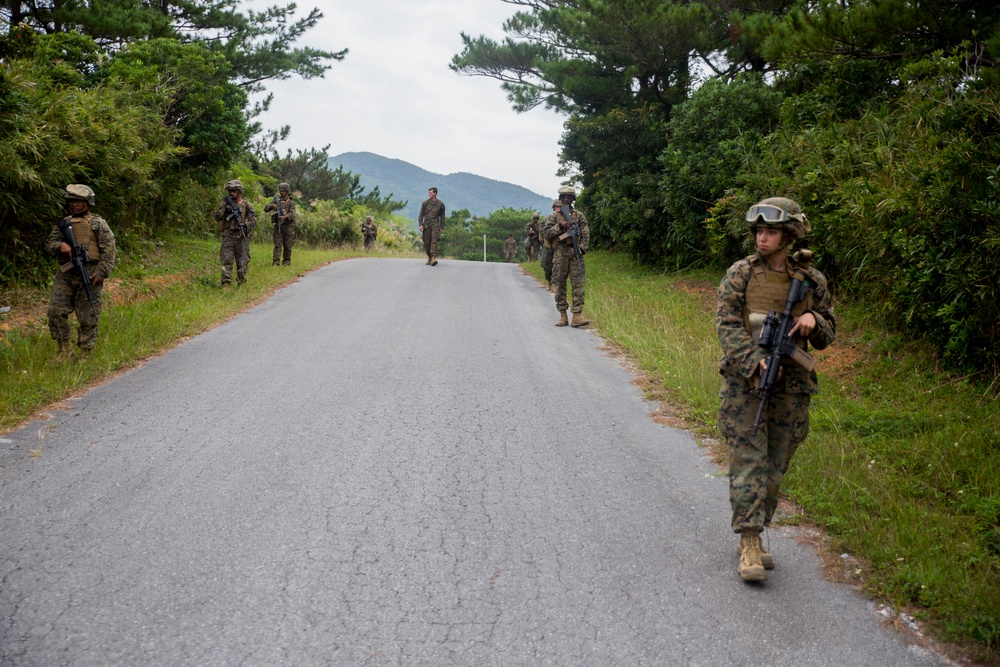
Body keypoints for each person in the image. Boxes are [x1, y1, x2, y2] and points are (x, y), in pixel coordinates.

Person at [716, 197, 836, 582]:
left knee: (776, 466)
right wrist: (753, 361)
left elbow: (828, 334)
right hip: (746, 383)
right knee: (749, 460)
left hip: (793, 386)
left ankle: (757, 527)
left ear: (789, 236)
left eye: (770, 232)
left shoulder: (812, 281)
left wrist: (811, 320)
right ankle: (749, 541)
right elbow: (727, 325)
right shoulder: (740, 274)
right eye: (758, 232)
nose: (762, 238)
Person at [46, 184, 117, 361]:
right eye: (71, 201)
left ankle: (86, 353)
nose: (74, 205)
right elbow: (49, 244)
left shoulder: (97, 224)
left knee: (88, 315)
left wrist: (100, 273)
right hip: (67, 274)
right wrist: (60, 246)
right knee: (55, 311)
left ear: (87, 203)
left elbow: (109, 250)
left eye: (79, 201)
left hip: (90, 274)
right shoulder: (64, 224)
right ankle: (64, 350)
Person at [542, 186, 590, 327]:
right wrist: (560, 227)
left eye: (569, 196)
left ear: (573, 199)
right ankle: (563, 316)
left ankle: (576, 316)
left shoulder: (579, 216)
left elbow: (586, 234)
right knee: (560, 284)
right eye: (564, 197)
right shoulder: (553, 217)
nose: (566, 199)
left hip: (576, 253)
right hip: (560, 252)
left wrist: (582, 249)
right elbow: (546, 234)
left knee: (578, 285)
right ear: (560, 198)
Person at [213, 179, 256, 287]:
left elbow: (253, 221)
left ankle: (241, 282)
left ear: (239, 191)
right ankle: (226, 283)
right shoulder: (225, 203)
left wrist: (245, 226)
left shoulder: (247, 206)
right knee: (226, 260)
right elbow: (217, 217)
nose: (231, 193)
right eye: (230, 191)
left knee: (243, 262)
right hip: (228, 236)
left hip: (241, 237)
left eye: (234, 191)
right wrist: (225, 209)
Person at [263, 182, 296, 266]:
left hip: (288, 227)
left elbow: (292, 214)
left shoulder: (291, 202)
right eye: (281, 191)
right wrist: (272, 206)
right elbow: (266, 209)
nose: (282, 192)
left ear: (287, 191)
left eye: (284, 191)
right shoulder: (276, 200)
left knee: (288, 246)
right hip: (278, 226)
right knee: (277, 246)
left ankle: (286, 262)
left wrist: (285, 217)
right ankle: (276, 263)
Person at [417, 186, 445, 266]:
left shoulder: (441, 205)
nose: (429, 194)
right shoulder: (425, 203)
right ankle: (429, 257)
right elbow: (421, 215)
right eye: (429, 193)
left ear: (435, 193)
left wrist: (441, 228)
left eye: (431, 193)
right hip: (426, 226)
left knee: (434, 241)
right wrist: (420, 225)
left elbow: (442, 217)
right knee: (426, 243)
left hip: (435, 226)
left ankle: (433, 258)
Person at [539, 202, 558, 289]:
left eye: (559, 207)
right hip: (548, 245)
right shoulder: (546, 219)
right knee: (546, 265)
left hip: (558, 246)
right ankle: (549, 280)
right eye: (556, 207)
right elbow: (542, 228)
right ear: (553, 208)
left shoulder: (564, 219)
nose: (558, 208)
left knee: (557, 265)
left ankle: (554, 283)